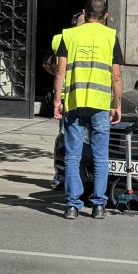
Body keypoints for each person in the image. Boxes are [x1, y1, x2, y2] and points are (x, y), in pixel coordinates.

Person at [52, 0, 123, 220]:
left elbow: (60, 71)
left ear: (84, 12)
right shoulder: (110, 36)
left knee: (73, 156)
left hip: (75, 102)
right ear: (106, 15)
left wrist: (57, 100)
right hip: (100, 104)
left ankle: (72, 205)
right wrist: (117, 105)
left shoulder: (69, 35)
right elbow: (116, 76)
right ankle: (98, 205)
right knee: (101, 157)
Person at [46, 10, 85, 189]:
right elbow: (48, 64)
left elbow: (50, 65)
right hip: (73, 97)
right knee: (69, 142)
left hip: (72, 97)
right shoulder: (61, 38)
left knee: (70, 142)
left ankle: (67, 179)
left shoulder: (65, 37)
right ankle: (64, 177)